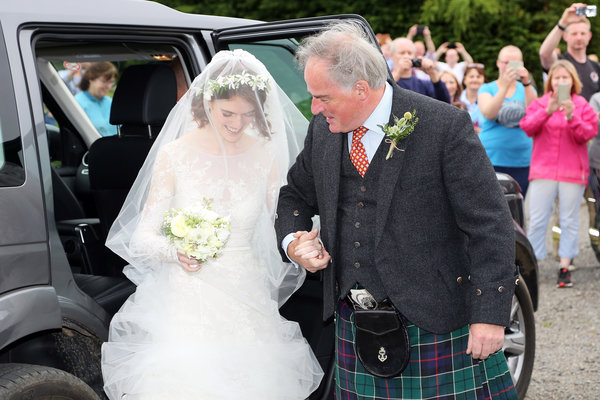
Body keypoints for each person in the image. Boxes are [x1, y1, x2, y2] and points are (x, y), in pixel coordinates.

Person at [276, 21, 518, 399]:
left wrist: (489, 313)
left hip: (435, 319)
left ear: (360, 89)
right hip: (353, 320)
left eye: (323, 97)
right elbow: (294, 195)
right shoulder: (322, 131)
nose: (314, 107)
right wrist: (294, 242)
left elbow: (489, 225)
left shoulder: (443, 126)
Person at [101, 49, 324, 399]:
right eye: (228, 113)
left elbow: (283, 216)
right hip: (188, 298)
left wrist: (302, 242)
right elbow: (142, 237)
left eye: (248, 115)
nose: (237, 123)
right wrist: (178, 251)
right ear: (206, 103)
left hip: (247, 294)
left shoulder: (265, 154)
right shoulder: (174, 155)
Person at [520, 59, 597, 288]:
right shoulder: (541, 103)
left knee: (569, 219)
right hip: (543, 170)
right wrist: (547, 111)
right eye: (557, 77)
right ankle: (531, 266)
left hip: (572, 171)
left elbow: (588, 133)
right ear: (550, 81)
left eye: (565, 77)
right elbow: (527, 127)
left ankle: (565, 266)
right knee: (537, 219)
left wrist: (572, 116)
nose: (561, 81)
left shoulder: (581, 103)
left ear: (572, 80)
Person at [478, 45, 537, 196]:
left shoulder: (527, 89)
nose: (510, 67)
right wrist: (503, 87)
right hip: (492, 158)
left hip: (522, 160)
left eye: (515, 63)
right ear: (498, 63)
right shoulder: (487, 88)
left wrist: (526, 83)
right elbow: (489, 113)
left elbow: (534, 114)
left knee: (517, 205)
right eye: (506, 63)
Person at [539, 3, 600, 101]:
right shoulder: (560, 62)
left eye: (583, 33)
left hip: (590, 115)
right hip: (563, 114)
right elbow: (544, 54)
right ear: (565, 36)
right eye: (574, 34)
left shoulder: (596, 67)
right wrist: (563, 23)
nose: (579, 37)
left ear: (589, 36)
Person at [390, 37, 450, 103]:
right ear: (392, 56)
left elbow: (445, 103)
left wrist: (433, 74)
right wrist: (398, 73)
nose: (406, 56)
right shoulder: (385, 81)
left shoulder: (423, 84)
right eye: (402, 53)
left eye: (410, 53)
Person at [74, 61, 118, 137]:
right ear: (91, 79)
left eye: (111, 82)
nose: (109, 87)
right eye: (104, 81)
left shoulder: (111, 102)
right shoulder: (77, 103)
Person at [461, 63, 486, 133]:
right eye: (471, 76)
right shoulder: (457, 100)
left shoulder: (490, 101)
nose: (475, 80)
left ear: (483, 79)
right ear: (464, 80)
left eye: (478, 77)